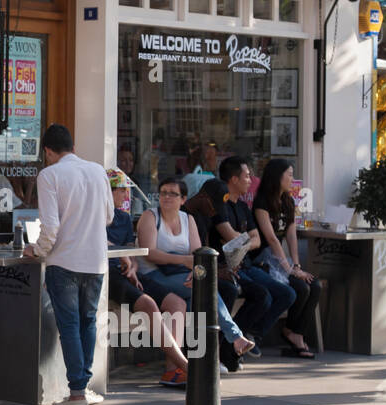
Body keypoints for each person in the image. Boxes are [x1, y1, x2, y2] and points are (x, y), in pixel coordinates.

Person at [23, 124, 114, 405]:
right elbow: (110, 216)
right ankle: (83, 388)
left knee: (71, 326)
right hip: (96, 260)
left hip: (65, 262)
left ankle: (76, 393)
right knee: (88, 322)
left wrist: (36, 249)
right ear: (73, 148)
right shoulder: (98, 171)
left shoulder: (49, 175)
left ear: (48, 151)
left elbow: (50, 227)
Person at [137, 177, 256, 372]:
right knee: (204, 291)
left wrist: (196, 272)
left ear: (183, 199)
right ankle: (234, 338)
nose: (167, 197)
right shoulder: (150, 216)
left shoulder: (188, 219)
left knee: (199, 299)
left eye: (173, 194)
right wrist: (183, 261)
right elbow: (149, 253)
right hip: (152, 275)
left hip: (180, 275)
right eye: (163, 193)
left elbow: (199, 255)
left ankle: (195, 362)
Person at [106, 170, 189, 388]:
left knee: (176, 303)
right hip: (106, 273)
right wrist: (124, 258)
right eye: (121, 190)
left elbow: (131, 253)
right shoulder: (94, 214)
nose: (126, 195)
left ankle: (173, 371)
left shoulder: (124, 218)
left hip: (127, 274)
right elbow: (99, 241)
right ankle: (184, 363)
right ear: (108, 191)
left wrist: (132, 267)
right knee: (148, 304)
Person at [208, 159, 297, 356]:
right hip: (228, 267)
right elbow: (233, 237)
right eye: (247, 176)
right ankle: (230, 345)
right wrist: (246, 239)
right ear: (233, 179)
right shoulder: (219, 207)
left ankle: (250, 335)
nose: (251, 180)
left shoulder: (242, 207)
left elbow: (255, 240)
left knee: (287, 294)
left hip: (247, 264)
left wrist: (243, 241)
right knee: (262, 296)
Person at [253, 158, 321, 360]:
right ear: (277, 176)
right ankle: (289, 334)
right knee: (301, 287)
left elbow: (291, 235)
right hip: (263, 262)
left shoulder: (289, 201)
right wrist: (289, 269)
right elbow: (272, 239)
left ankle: (294, 332)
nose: (292, 179)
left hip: (281, 262)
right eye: (289, 174)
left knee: (314, 285)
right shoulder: (261, 202)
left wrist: (297, 265)